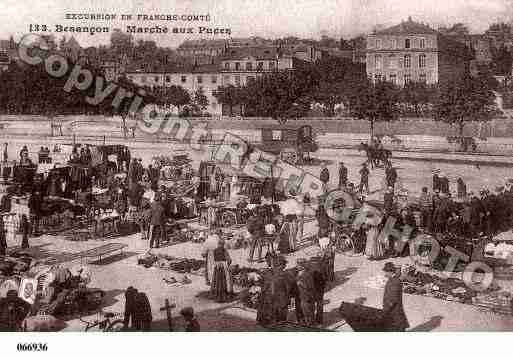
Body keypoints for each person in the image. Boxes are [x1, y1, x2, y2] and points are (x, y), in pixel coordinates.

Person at [382, 262, 409, 331]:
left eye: (386, 272)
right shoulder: (393, 279)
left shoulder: (395, 281)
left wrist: (386, 309)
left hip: (394, 310)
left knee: (397, 328)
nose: (385, 274)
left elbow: (393, 299)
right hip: (393, 310)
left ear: (390, 272)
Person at [210, 239, 233, 303]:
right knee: (223, 282)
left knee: (216, 281)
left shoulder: (214, 250)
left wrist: (216, 264)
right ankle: (223, 297)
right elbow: (229, 260)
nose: (222, 245)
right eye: (223, 244)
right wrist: (227, 263)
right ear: (222, 244)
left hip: (217, 268)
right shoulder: (224, 251)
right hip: (223, 268)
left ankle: (216, 296)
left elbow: (212, 260)